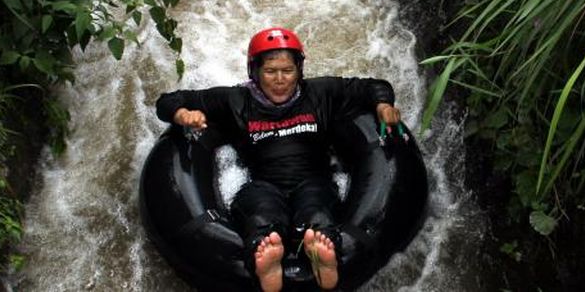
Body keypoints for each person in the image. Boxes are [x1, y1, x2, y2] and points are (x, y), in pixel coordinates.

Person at [155, 27, 403, 291]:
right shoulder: (235, 100)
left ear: (299, 70)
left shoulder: (321, 92)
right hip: (264, 184)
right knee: (261, 214)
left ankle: (321, 253)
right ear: (255, 72)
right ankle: (266, 261)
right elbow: (168, 100)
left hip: (313, 180)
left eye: (288, 71)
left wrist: (383, 105)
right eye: (270, 72)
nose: (280, 79)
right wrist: (182, 114)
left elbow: (373, 86)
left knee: (316, 211)